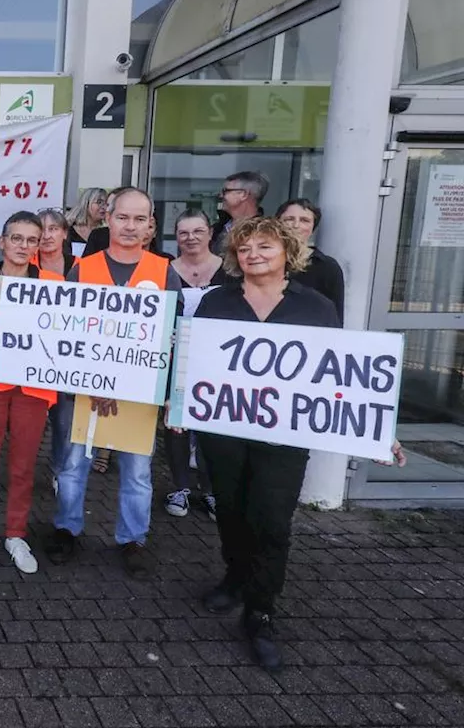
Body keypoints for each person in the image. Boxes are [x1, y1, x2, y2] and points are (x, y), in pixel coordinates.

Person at [191, 216, 404, 671]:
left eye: (264, 247)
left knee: (271, 520)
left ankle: (261, 610)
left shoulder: (317, 307)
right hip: (223, 429)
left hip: (285, 437)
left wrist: (380, 430)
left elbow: (342, 373)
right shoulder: (215, 302)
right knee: (230, 508)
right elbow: (194, 360)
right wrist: (179, 408)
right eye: (245, 249)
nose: (253, 255)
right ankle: (235, 575)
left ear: (287, 250)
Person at [45, 187, 184, 579]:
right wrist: (96, 383)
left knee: (138, 471)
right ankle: (66, 528)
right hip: (87, 390)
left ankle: (132, 539)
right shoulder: (84, 269)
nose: (130, 226)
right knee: (73, 465)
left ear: (150, 225)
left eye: (140, 219)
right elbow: (68, 332)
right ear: (108, 218)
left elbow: (171, 336)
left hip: (139, 394)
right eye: (123, 217)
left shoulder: (163, 271)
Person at [0, 211, 62, 574]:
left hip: (33, 387)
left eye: (31, 240)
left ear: (39, 246)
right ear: (2, 242)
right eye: (16, 238)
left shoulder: (54, 284)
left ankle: (15, 533)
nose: (23, 246)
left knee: (23, 466)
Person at [163, 209, 227, 520]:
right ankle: (180, 488)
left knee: (210, 426)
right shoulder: (166, 270)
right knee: (175, 425)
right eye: (184, 232)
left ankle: (212, 490)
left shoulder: (230, 270)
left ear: (210, 234)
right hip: (176, 359)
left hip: (217, 361)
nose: (191, 238)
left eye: (198, 231)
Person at [32, 208, 76, 480]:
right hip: (34, 355)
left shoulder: (80, 266)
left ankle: (60, 470)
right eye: (42, 229)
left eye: (53, 229)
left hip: (69, 358)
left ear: (64, 233)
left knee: (64, 421)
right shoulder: (25, 263)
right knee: (33, 421)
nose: (47, 235)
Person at [276, 198, 345, 324]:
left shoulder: (327, 267)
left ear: (313, 227)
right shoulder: (261, 260)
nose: (296, 225)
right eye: (289, 219)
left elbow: (335, 316)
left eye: (304, 220)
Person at [211, 170, 269, 255]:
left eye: (226, 191)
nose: (221, 195)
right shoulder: (217, 229)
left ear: (244, 194)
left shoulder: (265, 233)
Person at [65, 187, 107, 255]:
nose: (104, 207)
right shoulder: (68, 231)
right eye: (99, 202)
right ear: (86, 204)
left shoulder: (106, 233)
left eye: (106, 204)